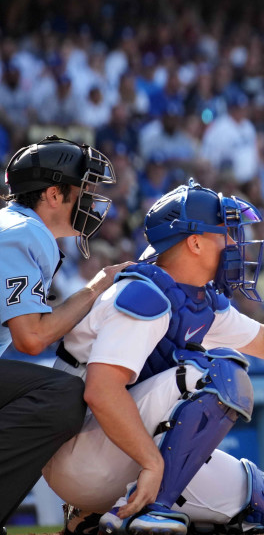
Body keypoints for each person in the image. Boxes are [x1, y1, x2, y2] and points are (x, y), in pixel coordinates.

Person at [42, 179, 264, 535]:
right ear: (194, 242)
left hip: (121, 449)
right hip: (81, 452)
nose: (235, 243)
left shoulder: (194, 297)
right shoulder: (141, 295)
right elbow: (101, 391)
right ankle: (154, 511)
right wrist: (151, 464)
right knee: (218, 371)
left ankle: (100, 522)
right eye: (226, 233)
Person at [0, 137, 123, 530]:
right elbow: (31, 338)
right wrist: (96, 288)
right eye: (82, 190)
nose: (90, 200)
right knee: (62, 394)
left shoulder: (11, 225)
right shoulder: (25, 232)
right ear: (54, 194)